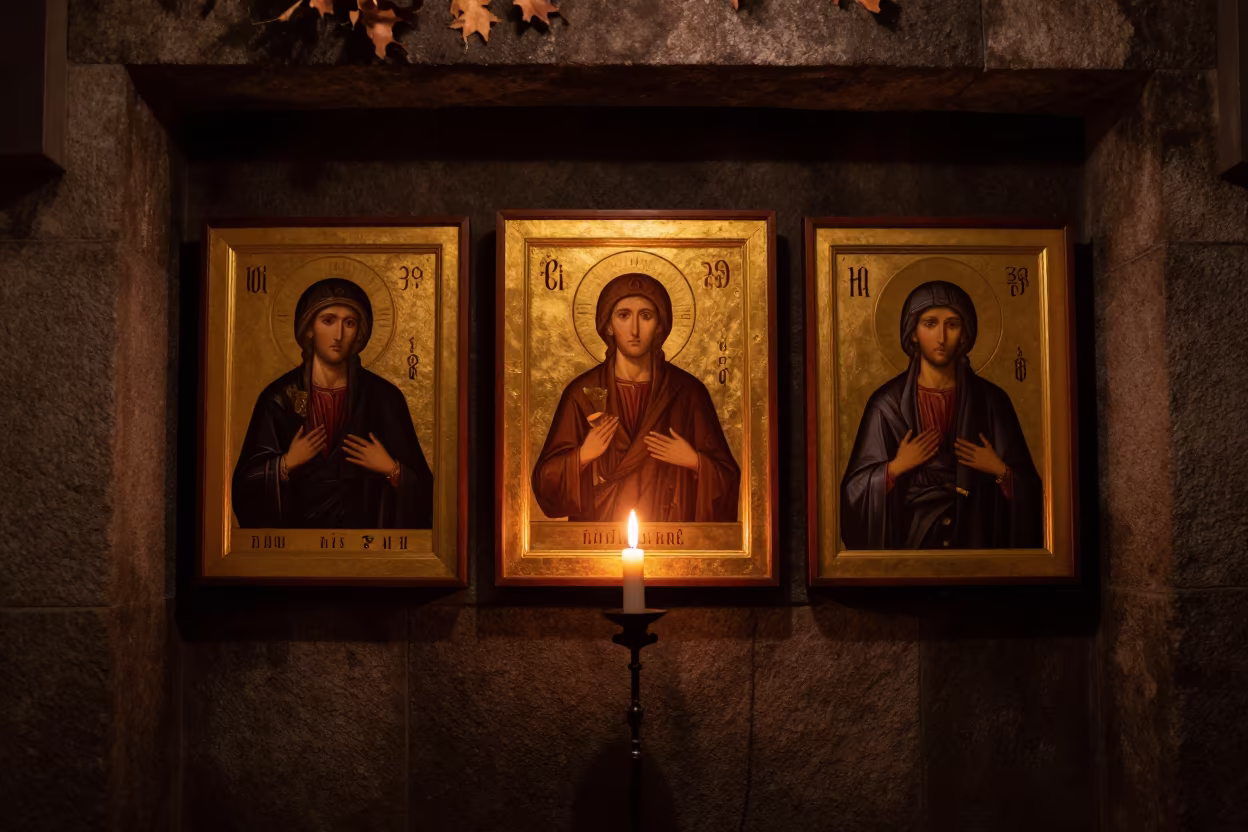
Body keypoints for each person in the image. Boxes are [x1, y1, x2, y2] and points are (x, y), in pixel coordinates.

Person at [840, 280, 1043, 549]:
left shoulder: (992, 402)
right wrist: (895, 468)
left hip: (976, 539)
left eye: (952, 324)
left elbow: (1036, 498)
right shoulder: (886, 405)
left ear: (965, 334)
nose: (941, 337)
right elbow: (853, 496)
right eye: (930, 323)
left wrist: (1000, 471)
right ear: (913, 332)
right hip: (910, 543)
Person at [531, 273, 740, 523]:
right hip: (598, 534)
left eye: (646, 316)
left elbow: (729, 480)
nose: (634, 329)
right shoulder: (581, 393)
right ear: (608, 325)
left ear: (660, 325)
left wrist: (694, 462)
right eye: (623, 315)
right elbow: (545, 484)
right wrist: (584, 454)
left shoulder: (687, 392)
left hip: (672, 534)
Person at [232, 277, 433, 529]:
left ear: (359, 332)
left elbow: (426, 494)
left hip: (364, 545)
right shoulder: (281, 398)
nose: (338, 334)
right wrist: (285, 464)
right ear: (308, 328)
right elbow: (243, 489)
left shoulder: (382, 398)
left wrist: (391, 469)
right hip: (297, 545)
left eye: (349, 323)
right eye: (328, 321)